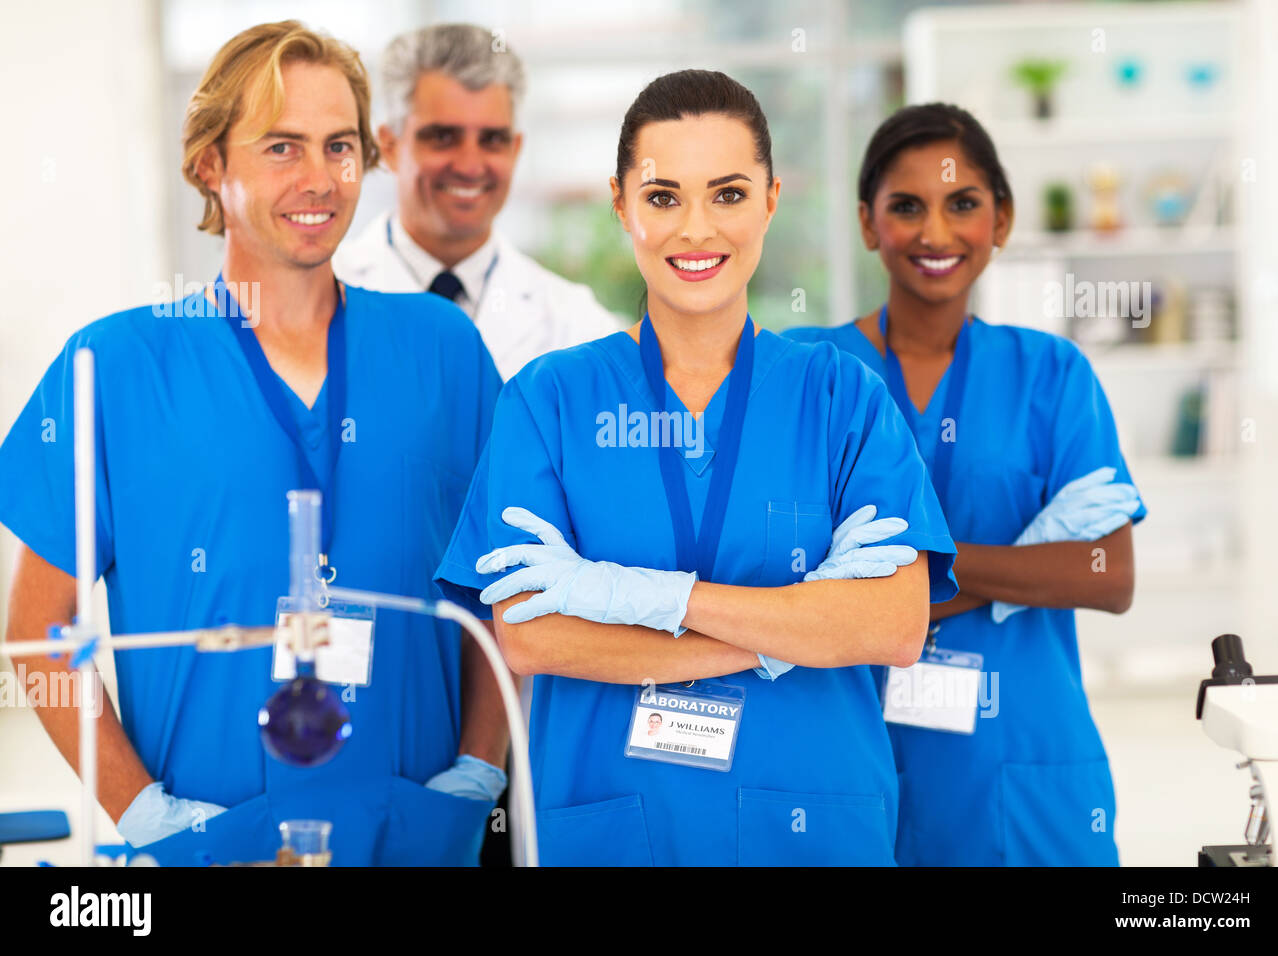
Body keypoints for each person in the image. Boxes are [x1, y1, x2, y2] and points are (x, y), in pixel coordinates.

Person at [0, 21, 508, 866]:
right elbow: (35, 628)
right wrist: (143, 814)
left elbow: (506, 590)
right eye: (281, 147)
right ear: (210, 164)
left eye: (339, 146)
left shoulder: (440, 349)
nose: (318, 179)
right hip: (211, 840)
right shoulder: (118, 367)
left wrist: (477, 772)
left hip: (416, 831)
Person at [436, 70, 958, 867]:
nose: (697, 229)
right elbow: (532, 634)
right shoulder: (550, 400)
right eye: (662, 196)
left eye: (728, 194)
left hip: (816, 829)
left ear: (772, 199)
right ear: (621, 205)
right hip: (619, 829)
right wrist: (797, 629)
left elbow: (892, 623)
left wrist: (642, 600)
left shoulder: (841, 396)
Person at [785, 103, 1145, 866]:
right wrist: (1018, 565)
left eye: (964, 204)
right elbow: (788, 568)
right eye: (906, 206)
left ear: (1002, 220)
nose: (936, 233)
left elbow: (1106, 572)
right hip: (850, 748)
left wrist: (908, 574)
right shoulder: (811, 373)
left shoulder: (1051, 373)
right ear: (866, 222)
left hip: (1018, 761)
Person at [333, 23, 621, 380]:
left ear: (516, 150)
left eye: (492, 139)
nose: (470, 166)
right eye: (442, 137)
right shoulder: (325, 294)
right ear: (389, 147)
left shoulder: (577, 324)